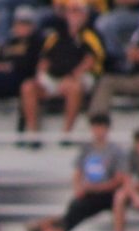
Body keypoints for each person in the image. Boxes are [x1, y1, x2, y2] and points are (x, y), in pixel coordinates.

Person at [20, 0, 105, 135]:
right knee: (28, 86)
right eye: (71, 12)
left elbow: (90, 61)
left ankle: (66, 132)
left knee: (74, 87)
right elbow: (44, 59)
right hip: (55, 78)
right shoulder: (56, 36)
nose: (74, 16)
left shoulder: (90, 35)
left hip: (78, 78)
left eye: (77, 12)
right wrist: (42, 78)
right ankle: (32, 132)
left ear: (85, 15)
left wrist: (71, 77)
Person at [60, 112, 127, 231]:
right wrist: (78, 189)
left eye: (101, 127)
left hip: (108, 193)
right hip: (89, 193)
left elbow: (119, 179)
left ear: (107, 129)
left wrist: (96, 188)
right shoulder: (86, 149)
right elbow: (77, 173)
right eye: (95, 127)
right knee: (75, 207)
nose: (98, 131)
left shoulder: (116, 151)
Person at [112, 127, 139, 231]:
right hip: (137, 187)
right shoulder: (130, 155)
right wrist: (135, 196)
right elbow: (126, 179)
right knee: (119, 196)